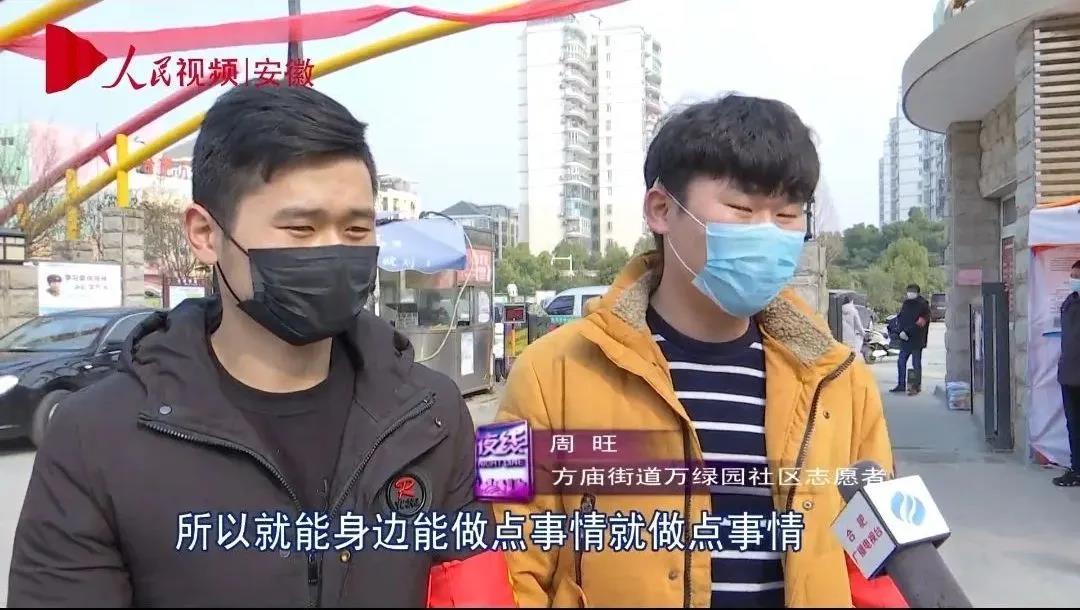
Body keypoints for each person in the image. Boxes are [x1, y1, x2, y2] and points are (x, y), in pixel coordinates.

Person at [9, 85, 513, 607]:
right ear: (205, 233)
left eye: (356, 229)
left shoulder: (431, 416)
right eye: (301, 228)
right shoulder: (96, 439)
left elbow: (472, 590)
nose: (333, 251)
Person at [493, 95, 903, 607]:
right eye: (741, 209)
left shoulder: (840, 380)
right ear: (661, 209)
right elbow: (503, 561)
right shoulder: (542, 371)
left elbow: (876, 564)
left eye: (787, 214)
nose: (767, 233)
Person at [1054, 260, 1080, 487]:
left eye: (1078, 276)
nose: (1074, 280)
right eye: (1072, 276)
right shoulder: (1069, 302)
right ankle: (1076, 469)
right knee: (1073, 425)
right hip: (1069, 374)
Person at [890, 284, 931, 395]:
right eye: (908, 291)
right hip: (905, 339)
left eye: (912, 291)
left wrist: (907, 331)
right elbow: (901, 318)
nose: (910, 293)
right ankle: (901, 384)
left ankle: (915, 386)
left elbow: (921, 322)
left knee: (916, 363)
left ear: (917, 292)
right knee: (901, 361)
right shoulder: (906, 303)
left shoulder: (923, 305)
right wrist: (900, 331)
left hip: (917, 339)